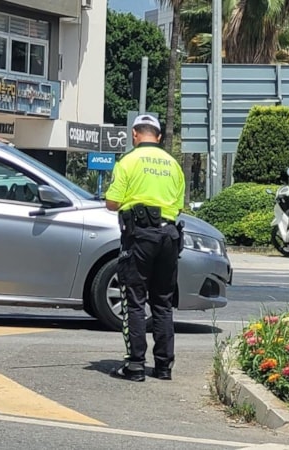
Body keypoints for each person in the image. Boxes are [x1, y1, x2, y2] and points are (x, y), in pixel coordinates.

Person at [104, 114, 185, 382]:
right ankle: (163, 366)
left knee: (135, 301)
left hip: (139, 237)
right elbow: (179, 206)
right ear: (159, 137)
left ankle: (135, 365)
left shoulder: (128, 161)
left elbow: (112, 202)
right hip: (169, 237)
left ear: (135, 135)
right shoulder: (174, 165)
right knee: (162, 303)